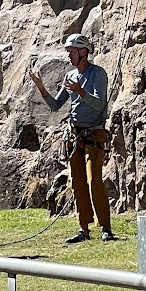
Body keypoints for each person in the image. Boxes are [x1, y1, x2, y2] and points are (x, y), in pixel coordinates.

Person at [29, 32, 115, 243]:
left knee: (94, 179)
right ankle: (83, 229)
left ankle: (105, 228)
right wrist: (41, 87)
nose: (69, 57)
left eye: (72, 52)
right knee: (77, 182)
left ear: (83, 52)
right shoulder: (70, 76)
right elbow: (56, 106)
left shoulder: (98, 74)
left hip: (94, 133)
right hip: (75, 135)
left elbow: (99, 104)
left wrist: (81, 91)